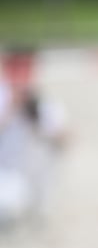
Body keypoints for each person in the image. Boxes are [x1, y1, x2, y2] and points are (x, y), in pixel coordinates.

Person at [0, 47, 68, 227]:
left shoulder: (41, 101)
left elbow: (64, 140)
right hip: (6, 172)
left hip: (33, 175)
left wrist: (38, 120)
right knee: (9, 208)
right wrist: (11, 108)